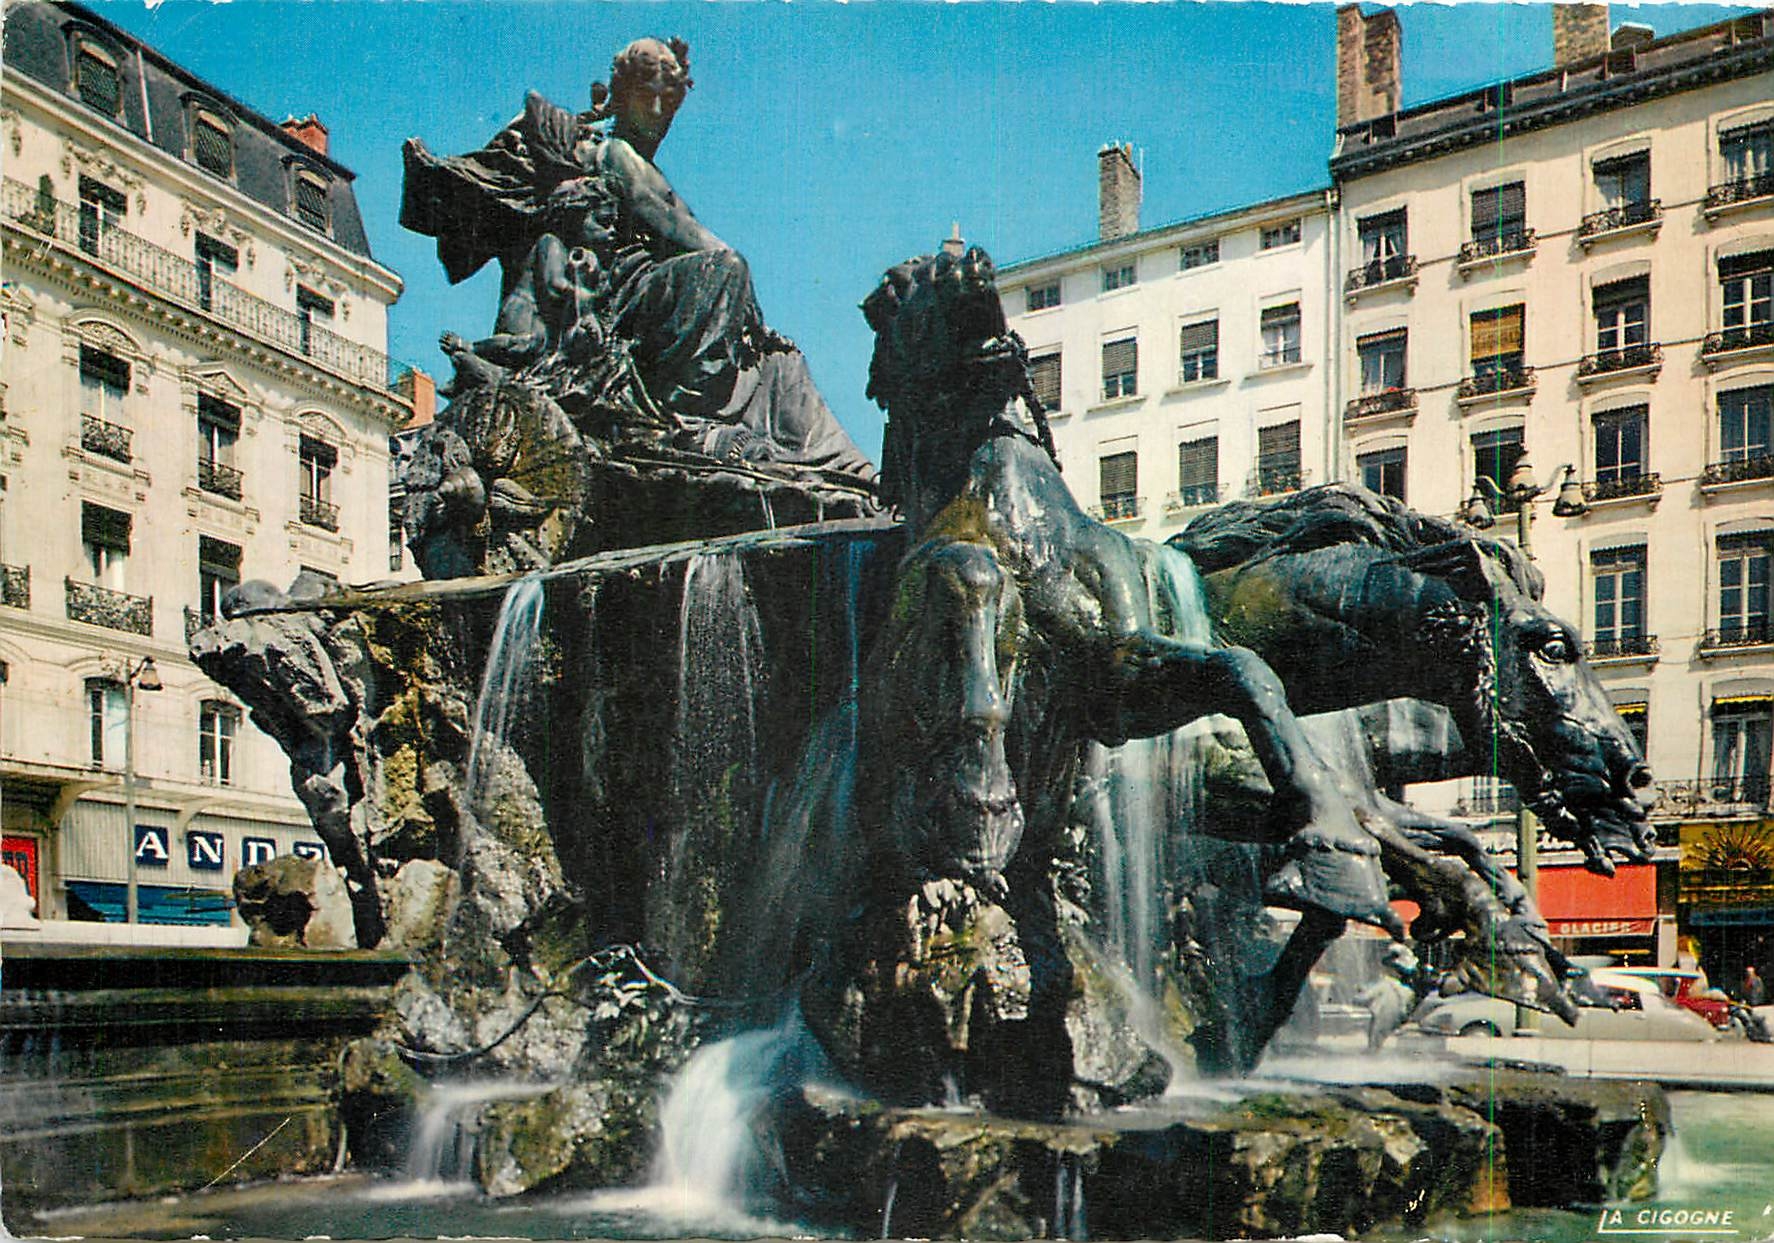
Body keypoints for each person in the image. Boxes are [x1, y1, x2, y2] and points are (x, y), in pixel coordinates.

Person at [401, 38, 874, 477]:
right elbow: (692, 239)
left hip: (650, 300)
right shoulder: (617, 155)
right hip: (622, 303)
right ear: (623, 96)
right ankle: (684, 417)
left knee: (778, 363)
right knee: (727, 270)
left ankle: (845, 468)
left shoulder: (642, 162)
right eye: (653, 98)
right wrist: (740, 291)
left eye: (671, 103)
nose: (662, 112)